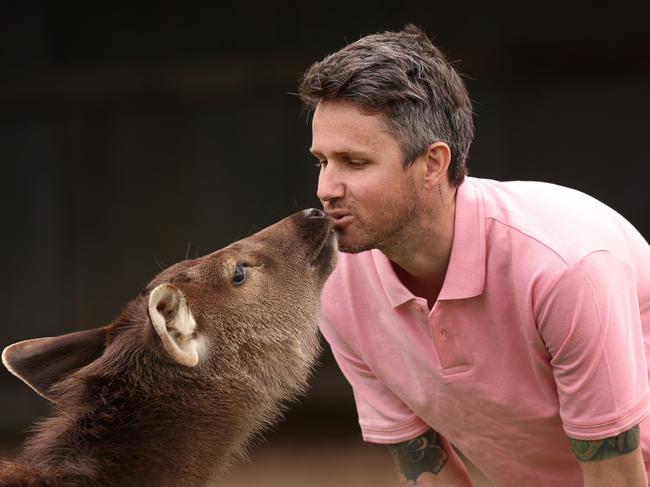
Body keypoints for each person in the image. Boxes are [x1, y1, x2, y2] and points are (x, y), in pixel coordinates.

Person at [297, 24, 650, 487]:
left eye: (355, 163)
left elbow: (618, 478)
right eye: (322, 161)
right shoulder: (338, 286)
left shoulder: (563, 267)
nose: (326, 189)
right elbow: (425, 469)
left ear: (433, 164)